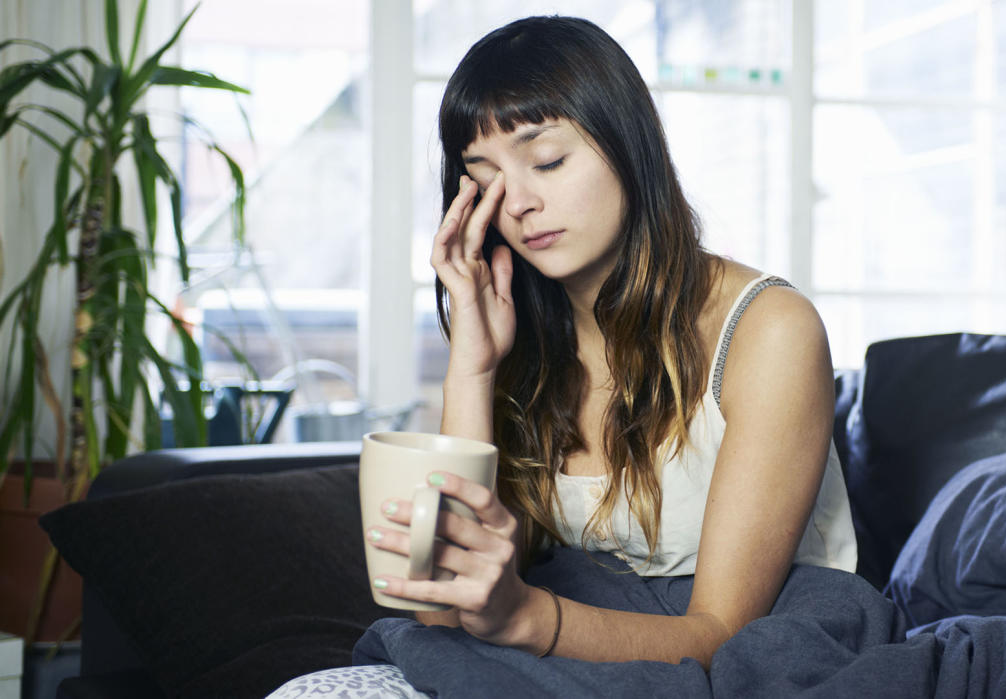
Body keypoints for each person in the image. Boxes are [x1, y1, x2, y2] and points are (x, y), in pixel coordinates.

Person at [270, 14, 855, 697]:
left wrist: (523, 615)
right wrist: (474, 367)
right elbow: (439, 599)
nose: (517, 203)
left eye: (546, 161)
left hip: (742, 660)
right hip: (573, 648)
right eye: (484, 179)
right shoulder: (525, 336)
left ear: (628, 145)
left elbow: (720, 633)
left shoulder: (770, 330)